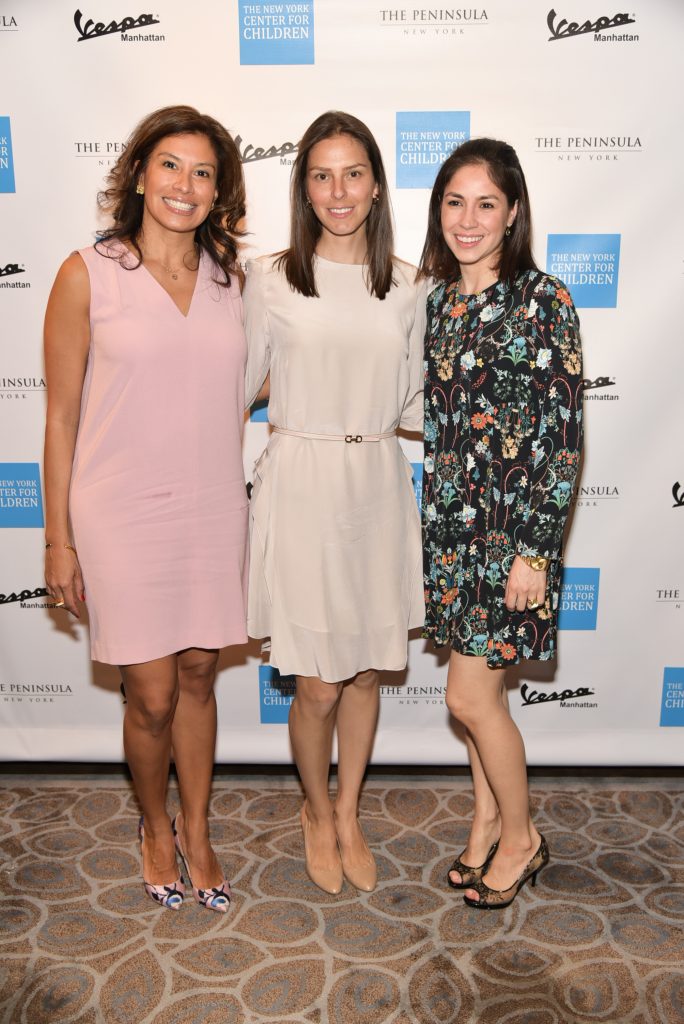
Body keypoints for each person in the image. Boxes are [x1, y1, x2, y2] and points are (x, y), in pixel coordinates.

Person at [43, 105, 248, 912]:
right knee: (152, 693)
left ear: (218, 193)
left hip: (209, 501)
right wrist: (59, 541)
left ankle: (198, 829)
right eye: (170, 165)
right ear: (137, 173)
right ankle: (153, 825)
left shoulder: (235, 283)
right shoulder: (85, 273)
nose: (184, 185)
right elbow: (60, 416)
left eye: (203, 173)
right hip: (119, 509)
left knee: (200, 675)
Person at [244, 111, 426, 895]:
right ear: (303, 186)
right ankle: (314, 810)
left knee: (363, 676)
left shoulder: (413, 283)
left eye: (353, 173)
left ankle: (349, 810)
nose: (338, 190)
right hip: (303, 481)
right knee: (316, 680)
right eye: (321, 175)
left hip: (378, 484)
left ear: (377, 183)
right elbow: (235, 385)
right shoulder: (270, 278)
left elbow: (421, 401)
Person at [419, 138, 583, 909]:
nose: (469, 218)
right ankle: (486, 821)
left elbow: (563, 438)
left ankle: (522, 838)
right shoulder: (441, 303)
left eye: (487, 203)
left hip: (512, 540)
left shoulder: (543, 299)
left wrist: (535, 554)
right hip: (453, 533)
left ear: (513, 211)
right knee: (486, 699)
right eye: (455, 201)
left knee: (468, 700)